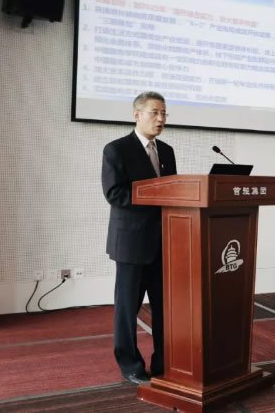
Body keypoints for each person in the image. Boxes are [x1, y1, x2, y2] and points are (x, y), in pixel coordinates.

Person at [101, 91, 177, 385]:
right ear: (137, 115)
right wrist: (154, 195)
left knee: (164, 309)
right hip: (131, 244)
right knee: (127, 309)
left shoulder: (167, 151)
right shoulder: (116, 149)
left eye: (164, 113)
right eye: (155, 113)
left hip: (164, 241)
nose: (161, 119)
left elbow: (173, 191)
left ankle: (164, 361)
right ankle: (130, 365)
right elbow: (114, 193)